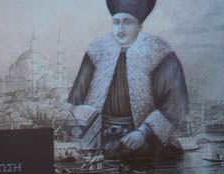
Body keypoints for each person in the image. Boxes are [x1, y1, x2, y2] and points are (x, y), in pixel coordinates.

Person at [67, 0, 187, 157]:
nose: (120, 29)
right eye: (116, 22)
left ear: (139, 26)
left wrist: (144, 132)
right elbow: (77, 98)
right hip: (97, 138)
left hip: (141, 138)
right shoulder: (96, 50)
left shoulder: (160, 53)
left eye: (128, 22)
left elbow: (174, 105)